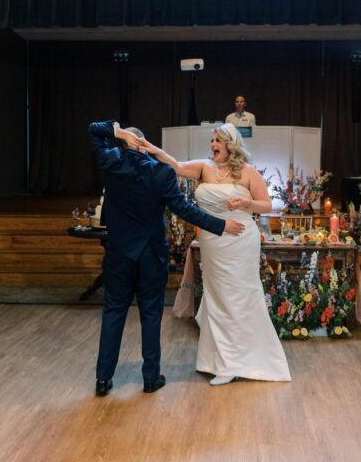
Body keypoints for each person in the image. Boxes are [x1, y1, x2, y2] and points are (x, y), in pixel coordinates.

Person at [88, 120, 244, 398]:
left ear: (123, 143)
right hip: (150, 256)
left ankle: (103, 380)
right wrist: (222, 226)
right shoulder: (161, 174)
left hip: (119, 254)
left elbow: (92, 129)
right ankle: (150, 378)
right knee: (150, 314)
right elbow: (185, 210)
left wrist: (117, 130)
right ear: (143, 145)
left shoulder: (110, 163)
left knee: (113, 312)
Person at [144, 122, 291, 385]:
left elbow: (267, 205)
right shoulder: (203, 167)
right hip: (213, 240)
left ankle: (239, 360)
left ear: (230, 145)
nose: (213, 145)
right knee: (217, 296)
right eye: (211, 141)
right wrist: (150, 147)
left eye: (218, 141)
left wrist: (247, 203)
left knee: (240, 296)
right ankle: (217, 360)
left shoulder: (248, 172)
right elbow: (174, 165)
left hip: (240, 239)